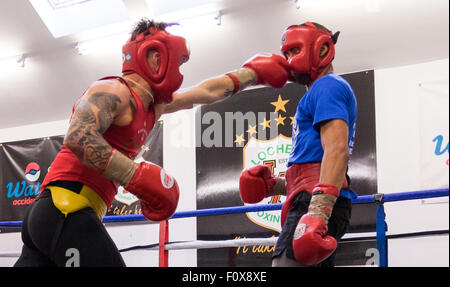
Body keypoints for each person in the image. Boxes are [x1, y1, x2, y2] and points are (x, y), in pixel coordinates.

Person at [13, 18, 291, 267]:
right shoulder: (113, 90)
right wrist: (133, 176)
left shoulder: (152, 107)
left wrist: (252, 74)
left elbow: (205, 91)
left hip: (58, 214)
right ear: (155, 58)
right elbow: (78, 137)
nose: (180, 70)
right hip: (65, 207)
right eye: (178, 61)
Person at [238, 22, 358, 267]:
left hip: (316, 202)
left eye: (295, 51)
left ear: (322, 49)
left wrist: (318, 212)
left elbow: (336, 151)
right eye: (287, 54)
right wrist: (276, 186)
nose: (290, 59)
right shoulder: (317, 92)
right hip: (313, 198)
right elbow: (313, 162)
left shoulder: (328, 85)